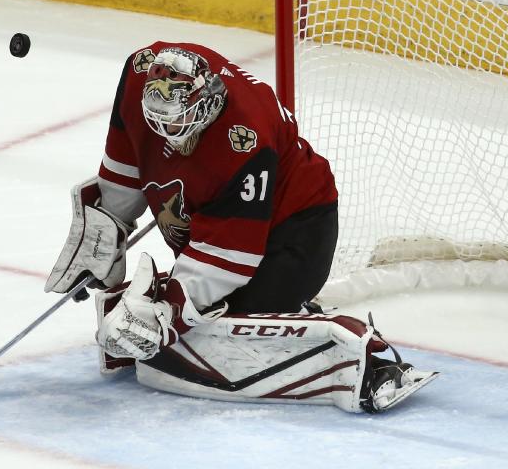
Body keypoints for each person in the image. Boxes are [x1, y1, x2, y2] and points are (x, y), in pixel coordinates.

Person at [45, 42, 437, 413]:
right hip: (223, 221)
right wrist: (109, 223)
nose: (169, 134)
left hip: (297, 229)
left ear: (209, 101)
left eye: (181, 121)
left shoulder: (245, 137)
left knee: (226, 318)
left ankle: (354, 357)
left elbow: (230, 255)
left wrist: (170, 310)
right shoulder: (139, 73)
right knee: (200, 316)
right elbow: (127, 155)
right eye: (160, 122)